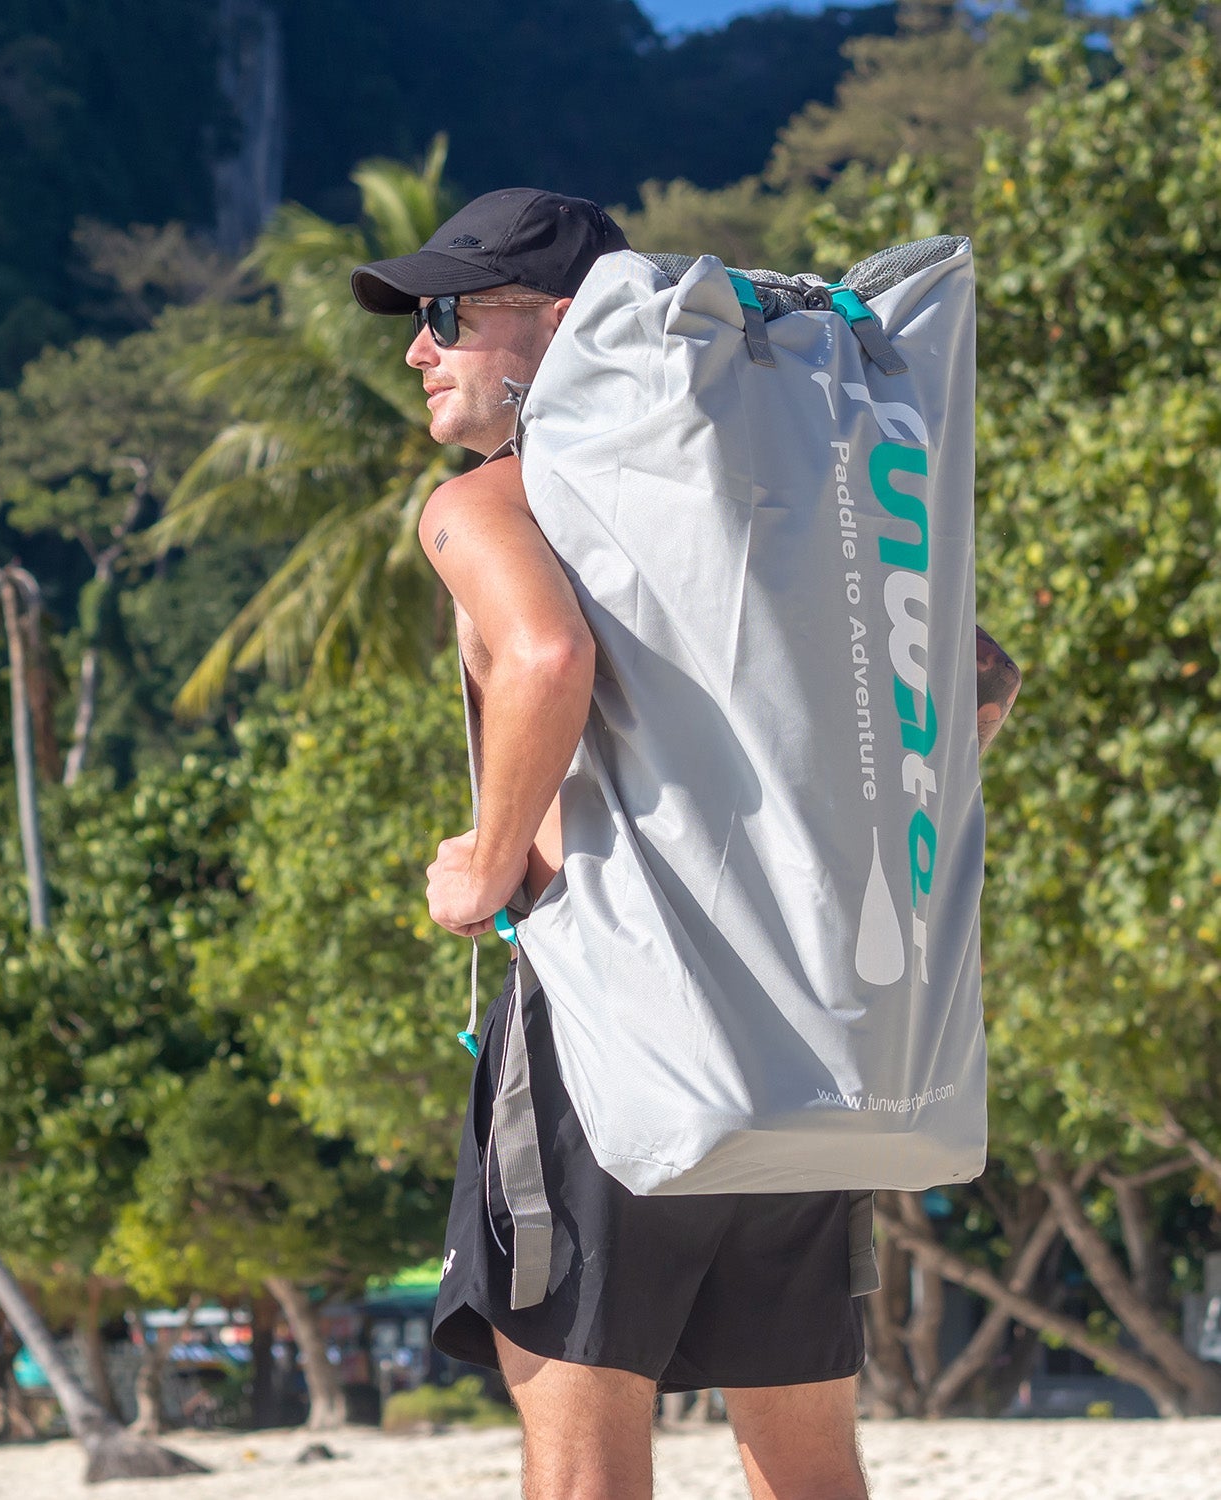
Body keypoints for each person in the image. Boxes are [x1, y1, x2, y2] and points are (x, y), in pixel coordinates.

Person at [351, 189, 1019, 1500]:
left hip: (618, 1033)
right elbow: (979, 684)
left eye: (446, 317)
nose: (419, 352)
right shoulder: (764, 501)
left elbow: (546, 654)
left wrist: (484, 868)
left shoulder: (486, 501)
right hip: (803, 1033)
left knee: (586, 1453)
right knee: (808, 1458)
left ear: (560, 324)